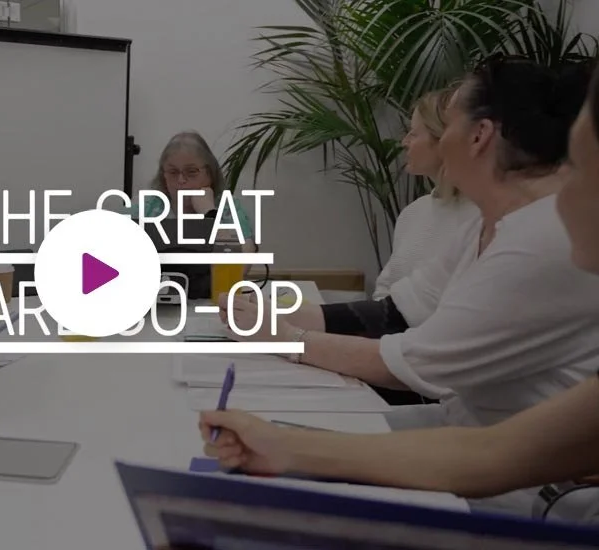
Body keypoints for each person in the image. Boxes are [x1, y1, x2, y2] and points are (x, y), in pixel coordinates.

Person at [212, 55, 599, 514]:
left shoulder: (538, 239)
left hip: (513, 498)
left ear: (480, 136)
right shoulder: (486, 225)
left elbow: (421, 371)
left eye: (578, 171)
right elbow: (485, 451)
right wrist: (283, 441)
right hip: (470, 441)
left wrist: (289, 341)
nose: (559, 194)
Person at [372, 86, 479, 300]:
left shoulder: (484, 219)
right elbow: (385, 288)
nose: (404, 142)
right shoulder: (413, 213)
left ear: (444, 139)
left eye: (413, 133)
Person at [139, 131, 256, 251]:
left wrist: (209, 213)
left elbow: (244, 256)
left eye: (191, 172)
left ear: (209, 174)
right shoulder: (146, 206)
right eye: (173, 172)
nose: (181, 180)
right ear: (163, 176)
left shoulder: (228, 207)